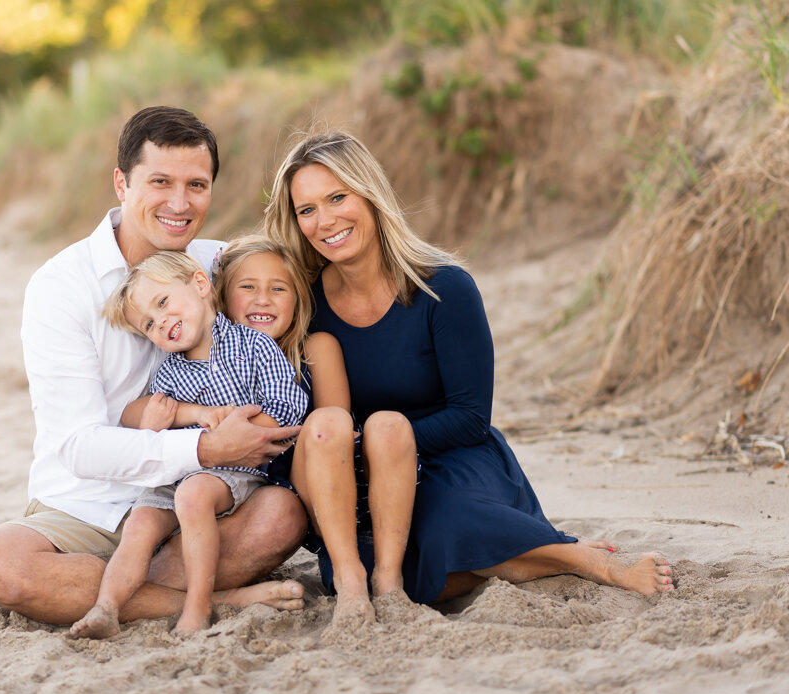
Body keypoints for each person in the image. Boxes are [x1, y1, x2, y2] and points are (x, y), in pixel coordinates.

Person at [263, 131, 675, 605]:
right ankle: (501, 563)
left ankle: (586, 560)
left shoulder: (445, 289)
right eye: (307, 209)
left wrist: (383, 442)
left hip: (454, 460)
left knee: (445, 524)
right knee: (359, 569)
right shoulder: (304, 303)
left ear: (371, 196)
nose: (325, 220)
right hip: (361, 474)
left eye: (338, 197)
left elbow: (471, 416)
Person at [0, 106, 306, 627]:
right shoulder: (61, 286)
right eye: (160, 182)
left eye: (197, 184)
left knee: (281, 517)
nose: (179, 202)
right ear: (122, 183)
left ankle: (111, 592)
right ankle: (208, 600)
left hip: (200, 497)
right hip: (87, 503)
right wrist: (203, 443)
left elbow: (296, 291)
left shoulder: (220, 264)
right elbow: (77, 444)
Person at [71, 251, 308, 638]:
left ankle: (198, 606)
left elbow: (287, 404)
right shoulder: (169, 373)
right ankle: (106, 609)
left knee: (195, 495)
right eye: (149, 323)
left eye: (163, 302)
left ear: (200, 285)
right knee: (141, 523)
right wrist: (157, 422)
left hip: (234, 471)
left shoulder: (254, 347)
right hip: (178, 473)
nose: (161, 321)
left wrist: (242, 433)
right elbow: (138, 422)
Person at [213, 236, 419, 623]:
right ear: (223, 299)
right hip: (282, 495)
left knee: (376, 423)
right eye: (247, 287)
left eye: (278, 288)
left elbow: (336, 429)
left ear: (298, 299)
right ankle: (349, 578)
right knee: (325, 425)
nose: (263, 299)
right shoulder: (218, 365)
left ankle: (388, 580)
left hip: (332, 477)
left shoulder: (315, 347)